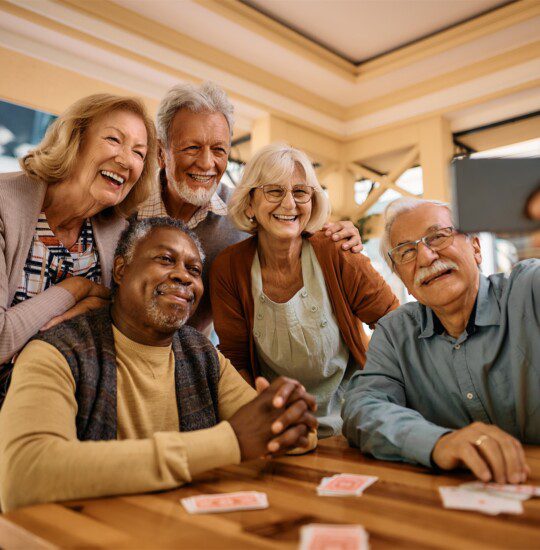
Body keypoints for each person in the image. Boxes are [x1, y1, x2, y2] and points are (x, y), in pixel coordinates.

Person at [0, 217, 317, 512]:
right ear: (121, 271)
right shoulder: (56, 352)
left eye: (194, 270)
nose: (183, 276)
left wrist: (291, 415)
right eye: (166, 260)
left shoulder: (201, 354)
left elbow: (277, 434)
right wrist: (229, 442)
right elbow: (24, 474)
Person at [342, 197, 539, 484]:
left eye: (437, 237)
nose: (425, 257)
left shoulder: (528, 291)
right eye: (406, 252)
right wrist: (438, 443)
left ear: (475, 247)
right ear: (401, 277)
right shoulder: (395, 333)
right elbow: (362, 408)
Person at [138, 81, 363, 333]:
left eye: (219, 150)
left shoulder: (245, 210)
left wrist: (340, 236)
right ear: (160, 152)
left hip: (195, 357)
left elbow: (293, 232)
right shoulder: (125, 206)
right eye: (192, 148)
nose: (206, 163)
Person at [210, 144, 399, 438]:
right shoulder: (229, 268)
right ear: (249, 203)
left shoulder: (337, 249)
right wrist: (263, 419)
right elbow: (236, 360)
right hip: (280, 424)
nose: (289, 204)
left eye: (300, 192)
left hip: (356, 420)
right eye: (274, 191)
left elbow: (393, 323)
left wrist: (375, 392)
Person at [0, 93, 157, 405]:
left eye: (139, 153)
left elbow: (121, 322)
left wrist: (97, 305)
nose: (126, 160)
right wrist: (78, 289)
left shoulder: (119, 232)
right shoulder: (4, 203)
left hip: (71, 405)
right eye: (114, 139)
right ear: (76, 139)